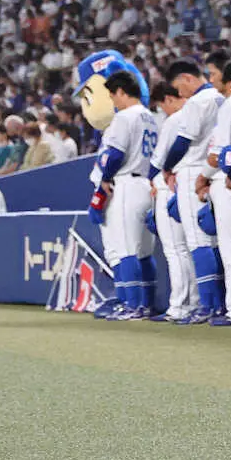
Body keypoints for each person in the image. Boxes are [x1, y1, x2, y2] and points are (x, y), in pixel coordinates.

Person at [86, 71, 159, 320]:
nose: (113, 101)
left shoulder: (125, 117)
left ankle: (132, 305)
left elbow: (115, 154)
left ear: (121, 91)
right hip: (147, 184)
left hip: (127, 184)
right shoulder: (151, 117)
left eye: (112, 95)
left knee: (127, 249)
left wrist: (105, 178)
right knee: (144, 251)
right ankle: (147, 304)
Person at [161, 59, 225, 324]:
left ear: (188, 78)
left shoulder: (197, 102)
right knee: (216, 241)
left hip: (193, 170)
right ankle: (220, 303)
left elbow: (182, 142)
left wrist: (167, 166)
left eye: (179, 87)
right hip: (214, 169)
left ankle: (210, 304)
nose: (180, 93)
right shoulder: (221, 96)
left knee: (198, 241)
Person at [198, 51, 231, 327]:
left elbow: (216, 154)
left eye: (213, 74)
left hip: (227, 179)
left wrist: (201, 177)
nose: (210, 80)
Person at [148, 82, 197, 323]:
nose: (163, 110)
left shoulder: (175, 119)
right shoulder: (196, 112)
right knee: (186, 248)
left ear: (168, 99)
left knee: (175, 250)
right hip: (189, 183)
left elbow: (158, 162)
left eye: (161, 105)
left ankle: (179, 306)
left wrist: (151, 179)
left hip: (170, 184)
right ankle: (193, 303)